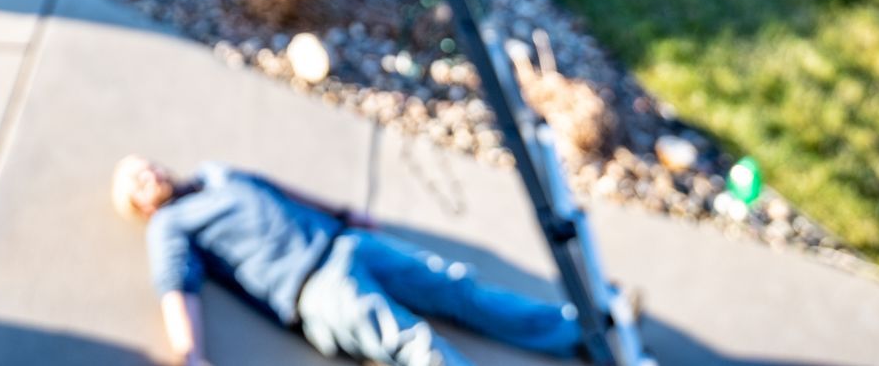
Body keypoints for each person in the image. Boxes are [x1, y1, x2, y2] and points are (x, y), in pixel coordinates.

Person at [112, 154, 611, 366]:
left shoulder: (214, 174)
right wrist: (189, 354)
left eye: (146, 165)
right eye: (136, 181)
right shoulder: (168, 226)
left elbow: (278, 190)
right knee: (416, 344)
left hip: (345, 242)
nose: (148, 174)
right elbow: (176, 286)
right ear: (139, 205)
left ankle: (580, 334)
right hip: (313, 289)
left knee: (457, 286)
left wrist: (343, 211)